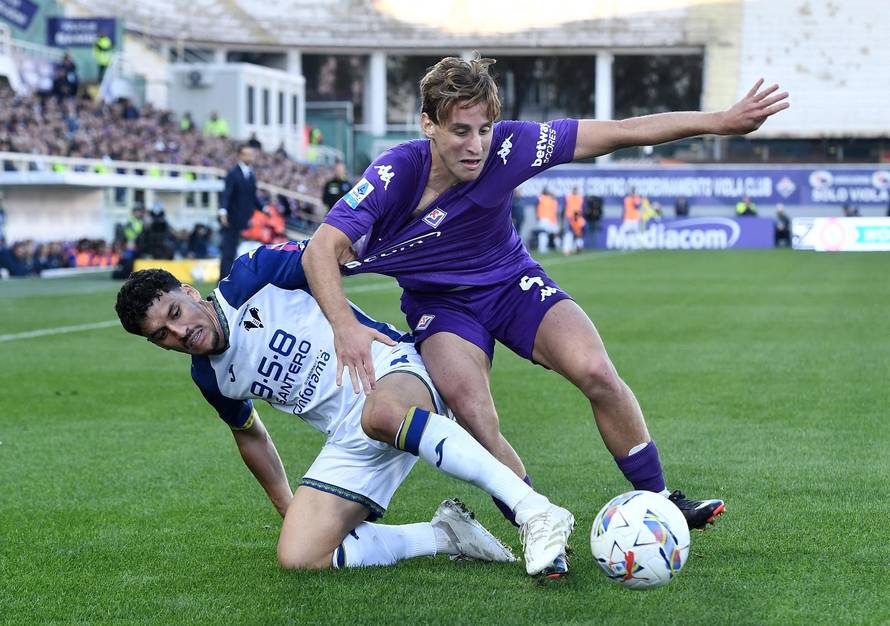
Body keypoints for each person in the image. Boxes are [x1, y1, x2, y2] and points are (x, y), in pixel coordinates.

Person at [303, 54, 787, 571]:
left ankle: (660, 499)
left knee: (597, 371)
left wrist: (718, 121)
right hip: (442, 307)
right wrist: (344, 327)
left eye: (484, 129)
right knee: (474, 414)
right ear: (428, 125)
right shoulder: (396, 172)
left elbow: (621, 132)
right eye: (460, 131)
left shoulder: (511, 146)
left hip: (512, 283)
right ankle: (541, 530)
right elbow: (319, 251)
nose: (476, 145)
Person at [114, 242, 573, 575]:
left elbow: (332, 255)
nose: (177, 334)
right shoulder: (210, 378)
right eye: (161, 336)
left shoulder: (254, 276)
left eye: (174, 315)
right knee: (300, 556)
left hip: (392, 370)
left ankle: (536, 511)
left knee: (380, 414)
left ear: (191, 294)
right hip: (349, 435)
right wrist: (290, 509)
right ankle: (445, 535)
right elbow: (249, 433)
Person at [219, 144, 263, 278]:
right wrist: (223, 211)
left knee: (246, 251)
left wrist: (264, 208)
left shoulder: (251, 174)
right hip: (233, 219)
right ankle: (223, 280)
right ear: (240, 155)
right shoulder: (233, 174)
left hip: (246, 219)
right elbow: (226, 194)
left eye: (252, 154)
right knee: (229, 251)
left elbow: (252, 195)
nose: (251, 157)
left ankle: (241, 278)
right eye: (247, 154)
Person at [535, 188, 559, 254]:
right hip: (545, 218)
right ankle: (542, 248)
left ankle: (544, 247)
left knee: (545, 233)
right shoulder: (545, 198)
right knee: (544, 233)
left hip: (547, 219)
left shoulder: (546, 198)